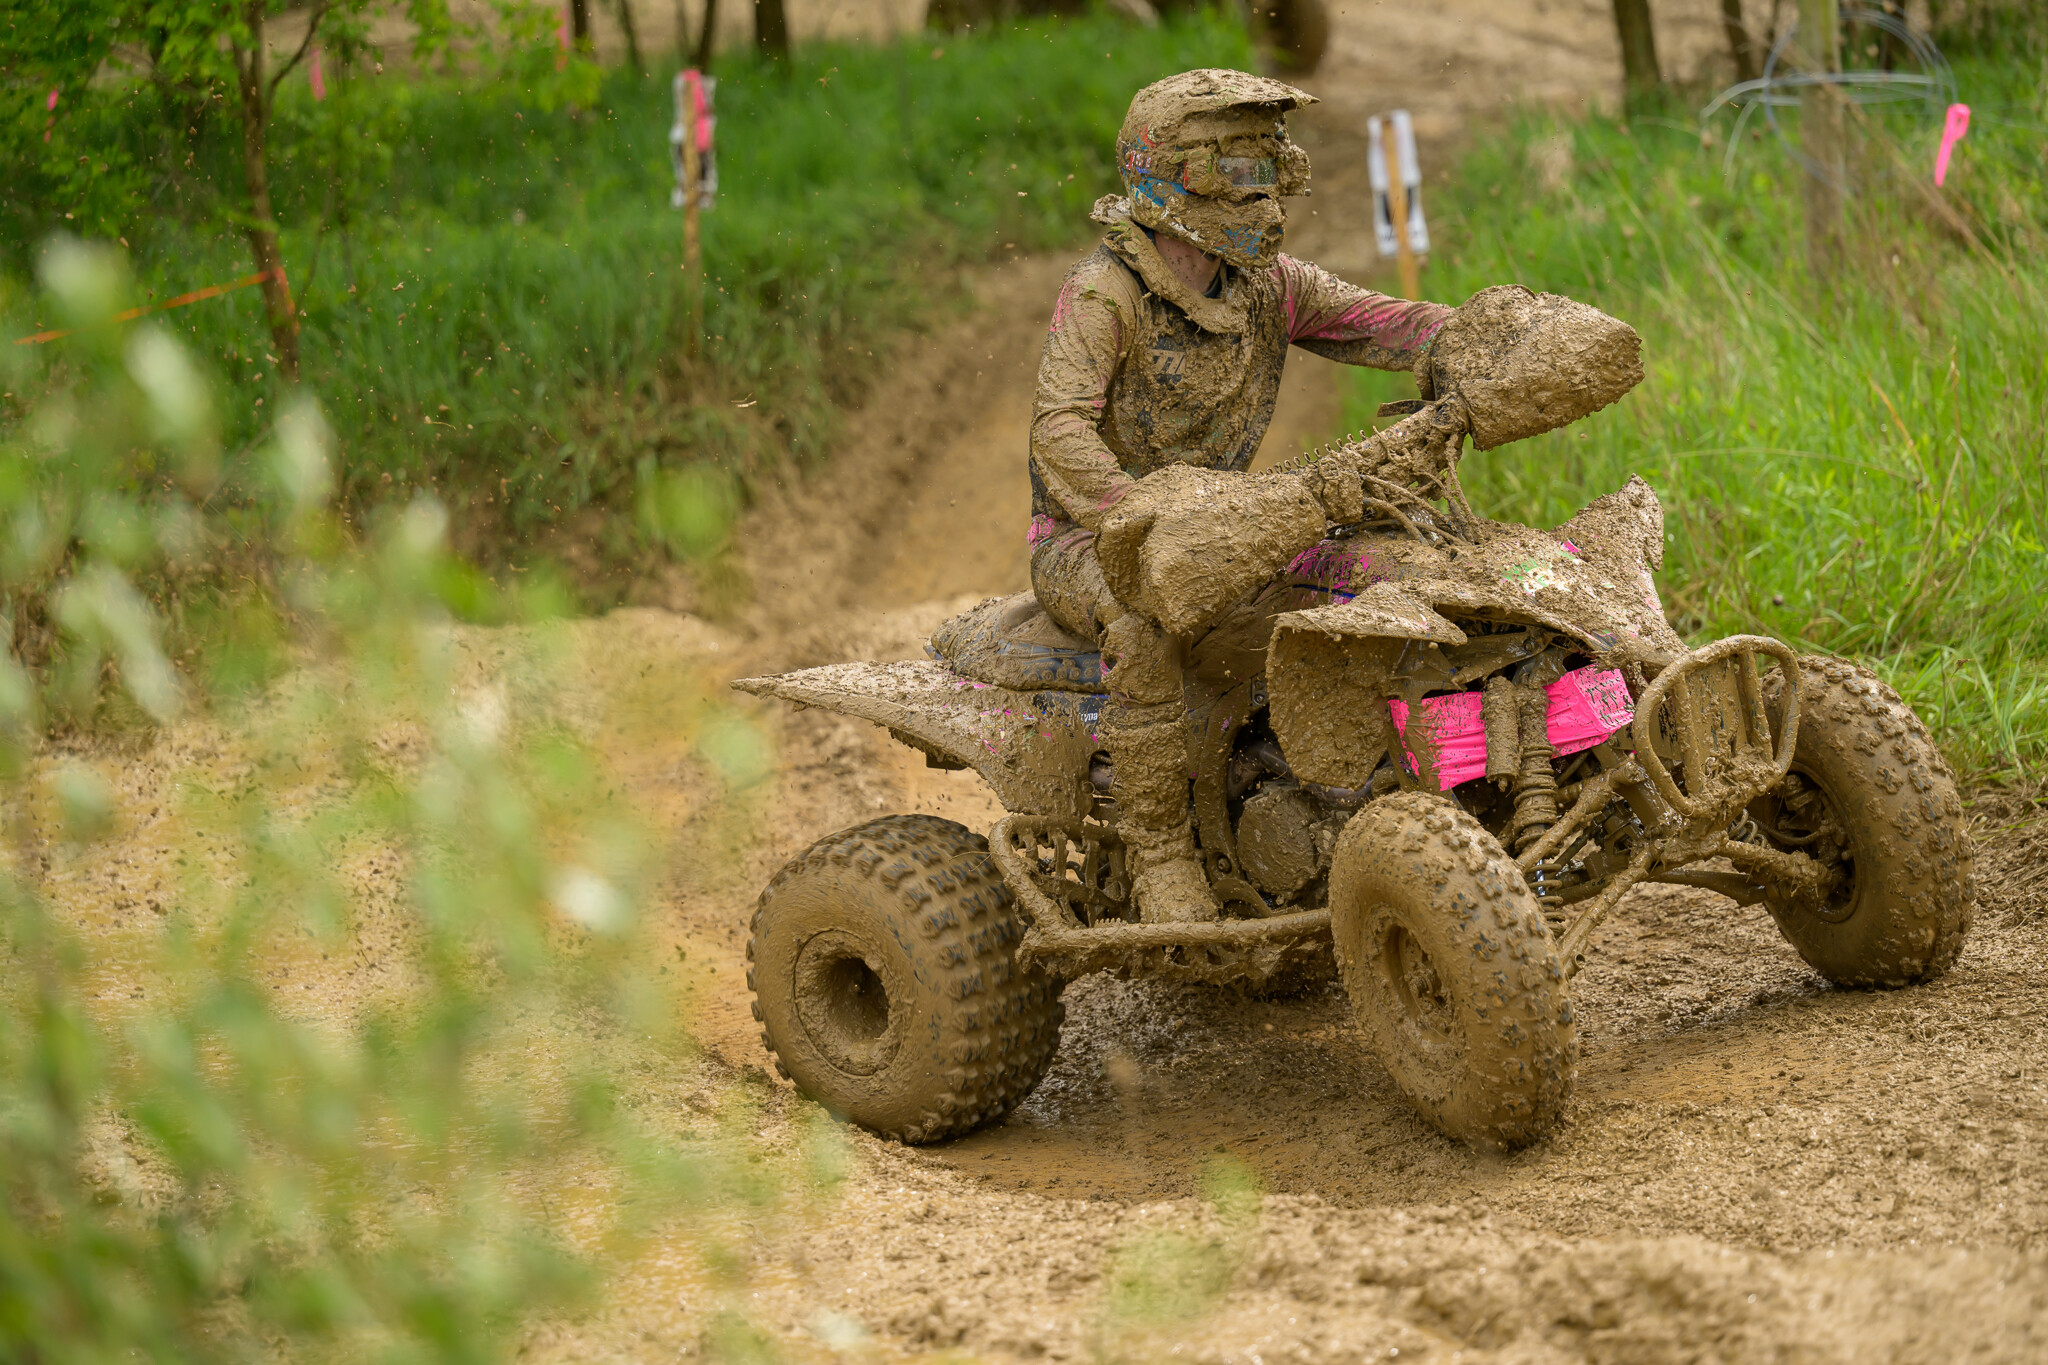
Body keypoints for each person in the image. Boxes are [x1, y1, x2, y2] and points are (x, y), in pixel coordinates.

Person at [1028, 69, 1453, 923]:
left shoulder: (1270, 285)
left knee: (1376, 563)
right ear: (1172, 177)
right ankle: (1160, 855)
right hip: (1095, 540)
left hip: (1228, 528)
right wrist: (1136, 516)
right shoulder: (1106, 293)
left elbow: (1384, 322)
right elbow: (1058, 426)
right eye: (1240, 171)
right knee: (1142, 623)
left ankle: (1375, 787)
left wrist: (1490, 334)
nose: (1265, 194)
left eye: (1273, 166)